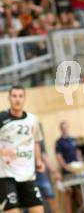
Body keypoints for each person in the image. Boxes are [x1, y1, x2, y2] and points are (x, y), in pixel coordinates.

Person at [0, 85, 45, 213]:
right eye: (14, 96)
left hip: (28, 175)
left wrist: (39, 160)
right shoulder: (2, 117)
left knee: (38, 210)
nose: (17, 99)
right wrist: (2, 151)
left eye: (20, 96)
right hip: (6, 175)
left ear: (24, 98)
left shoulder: (32, 120)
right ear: (9, 98)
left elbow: (36, 141)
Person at [55, 120, 82, 213]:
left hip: (76, 170)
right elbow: (58, 156)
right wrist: (65, 166)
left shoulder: (73, 139)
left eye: (66, 127)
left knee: (80, 191)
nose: (65, 129)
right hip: (67, 171)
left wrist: (80, 163)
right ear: (61, 129)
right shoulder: (59, 142)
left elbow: (78, 152)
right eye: (63, 128)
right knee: (68, 193)